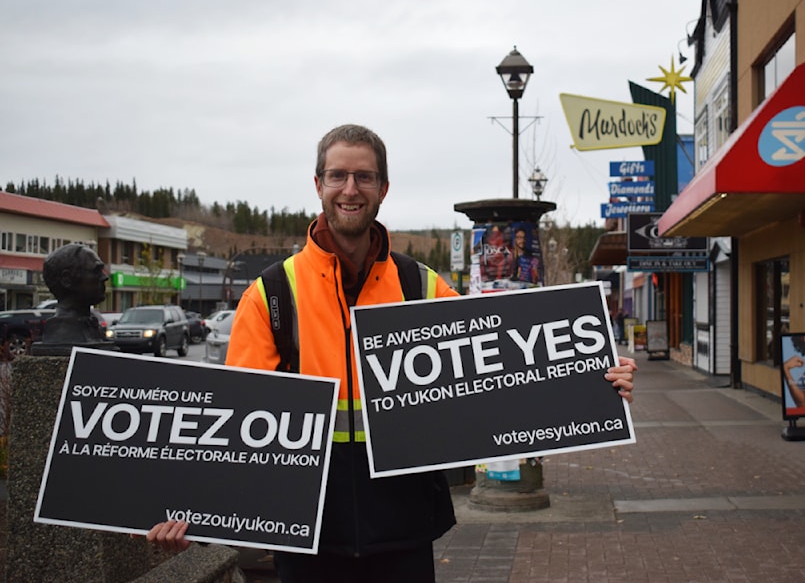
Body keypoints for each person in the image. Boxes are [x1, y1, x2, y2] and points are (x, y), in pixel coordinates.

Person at [148, 124, 637, 582]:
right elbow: (234, 425)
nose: (350, 188)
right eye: (338, 175)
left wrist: (595, 379)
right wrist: (188, 509)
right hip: (308, 537)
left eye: (364, 176)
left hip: (404, 531)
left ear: (384, 188)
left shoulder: (420, 285)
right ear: (318, 184)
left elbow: (499, 377)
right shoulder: (273, 294)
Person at [39, 243, 109, 344]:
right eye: (96, 271)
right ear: (66, 280)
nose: (104, 277)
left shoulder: (92, 326)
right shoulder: (62, 331)